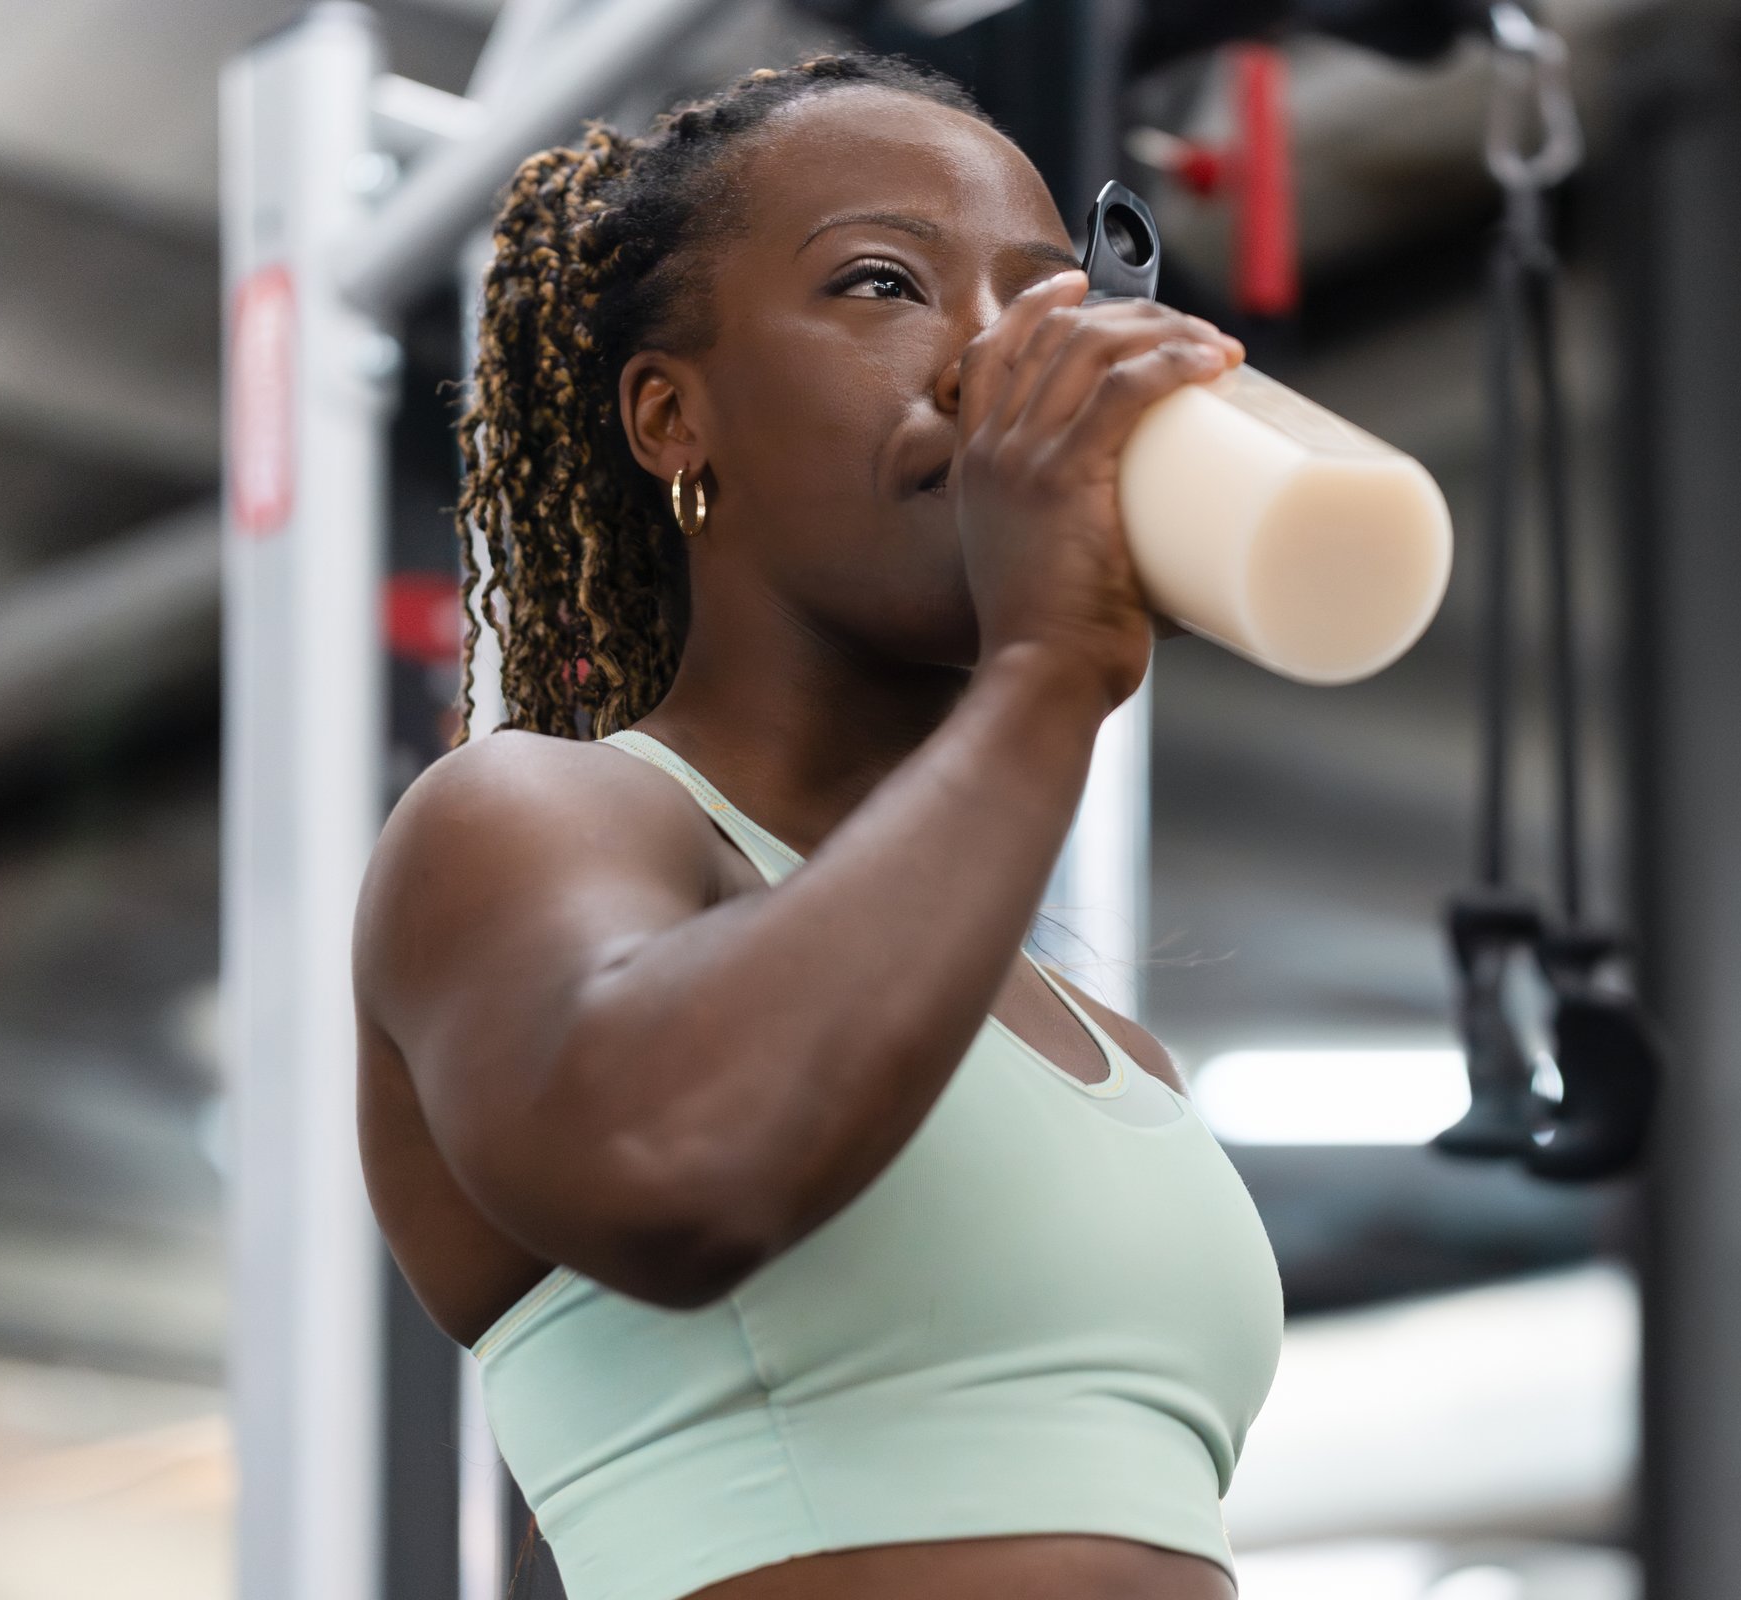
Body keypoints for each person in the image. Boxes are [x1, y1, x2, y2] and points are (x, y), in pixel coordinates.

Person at [352, 53, 1285, 1600]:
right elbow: (671, 1163)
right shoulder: (528, 817)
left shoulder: (1119, 1055)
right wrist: (1052, 670)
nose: (999, 367)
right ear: (670, 418)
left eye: (1048, 305)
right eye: (881, 285)